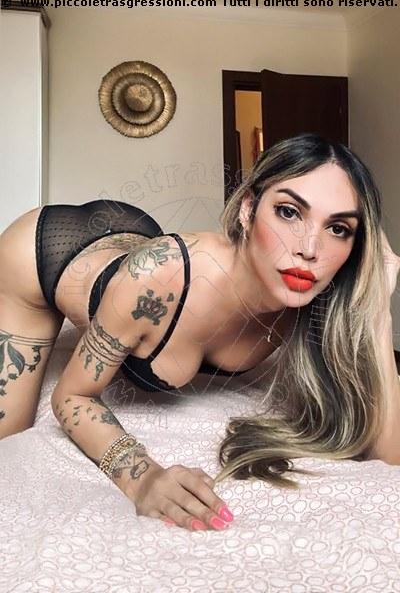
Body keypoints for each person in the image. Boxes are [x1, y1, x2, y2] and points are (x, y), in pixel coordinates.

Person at [0, 133, 398, 532]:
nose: (310, 248)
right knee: (6, 442)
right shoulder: (157, 276)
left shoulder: (312, 292)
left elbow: (390, 458)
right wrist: (143, 479)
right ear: (248, 209)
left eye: (338, 228)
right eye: (289, 212)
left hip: (137, 234)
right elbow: (71, 396)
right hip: (40, 256)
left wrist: (378, 307)